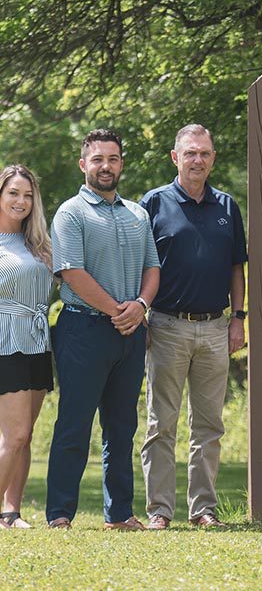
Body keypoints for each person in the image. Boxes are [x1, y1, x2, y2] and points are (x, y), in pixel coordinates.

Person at [46, 129, 160, 530]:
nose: (105, 166)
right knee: (74, 425)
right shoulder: (70, 212)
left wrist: (140, 306)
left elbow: (153, 267)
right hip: (83, 330)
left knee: (121, 427)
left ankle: (120, 514)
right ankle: (60, 514)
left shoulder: (138, 213)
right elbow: (72, 273)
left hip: (130, 332)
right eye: (97, 159)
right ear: (84, 164)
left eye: (112, 158)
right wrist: (119, 310)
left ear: (121, 163)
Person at [139, 124, 247, 529]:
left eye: (204, 152)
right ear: (175, 157)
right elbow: (138, 265)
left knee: (208, 426)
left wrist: (238, 319)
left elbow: (237, 267)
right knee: (161, 423)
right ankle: (160, 512)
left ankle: (203, 509)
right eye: (190, 153)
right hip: (166, 325)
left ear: (212, 157)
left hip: (216, 327)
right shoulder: (153, 203)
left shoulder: (226, 206)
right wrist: (142, 318)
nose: (197, 159)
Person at [0, 165, 53, 529]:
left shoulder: (40, 244)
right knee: (14, 435)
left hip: (37, 342)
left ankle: (11, 511)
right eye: (13, 193)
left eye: (28, 195)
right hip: (6, 343)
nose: (21, 201)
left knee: (26, 436)